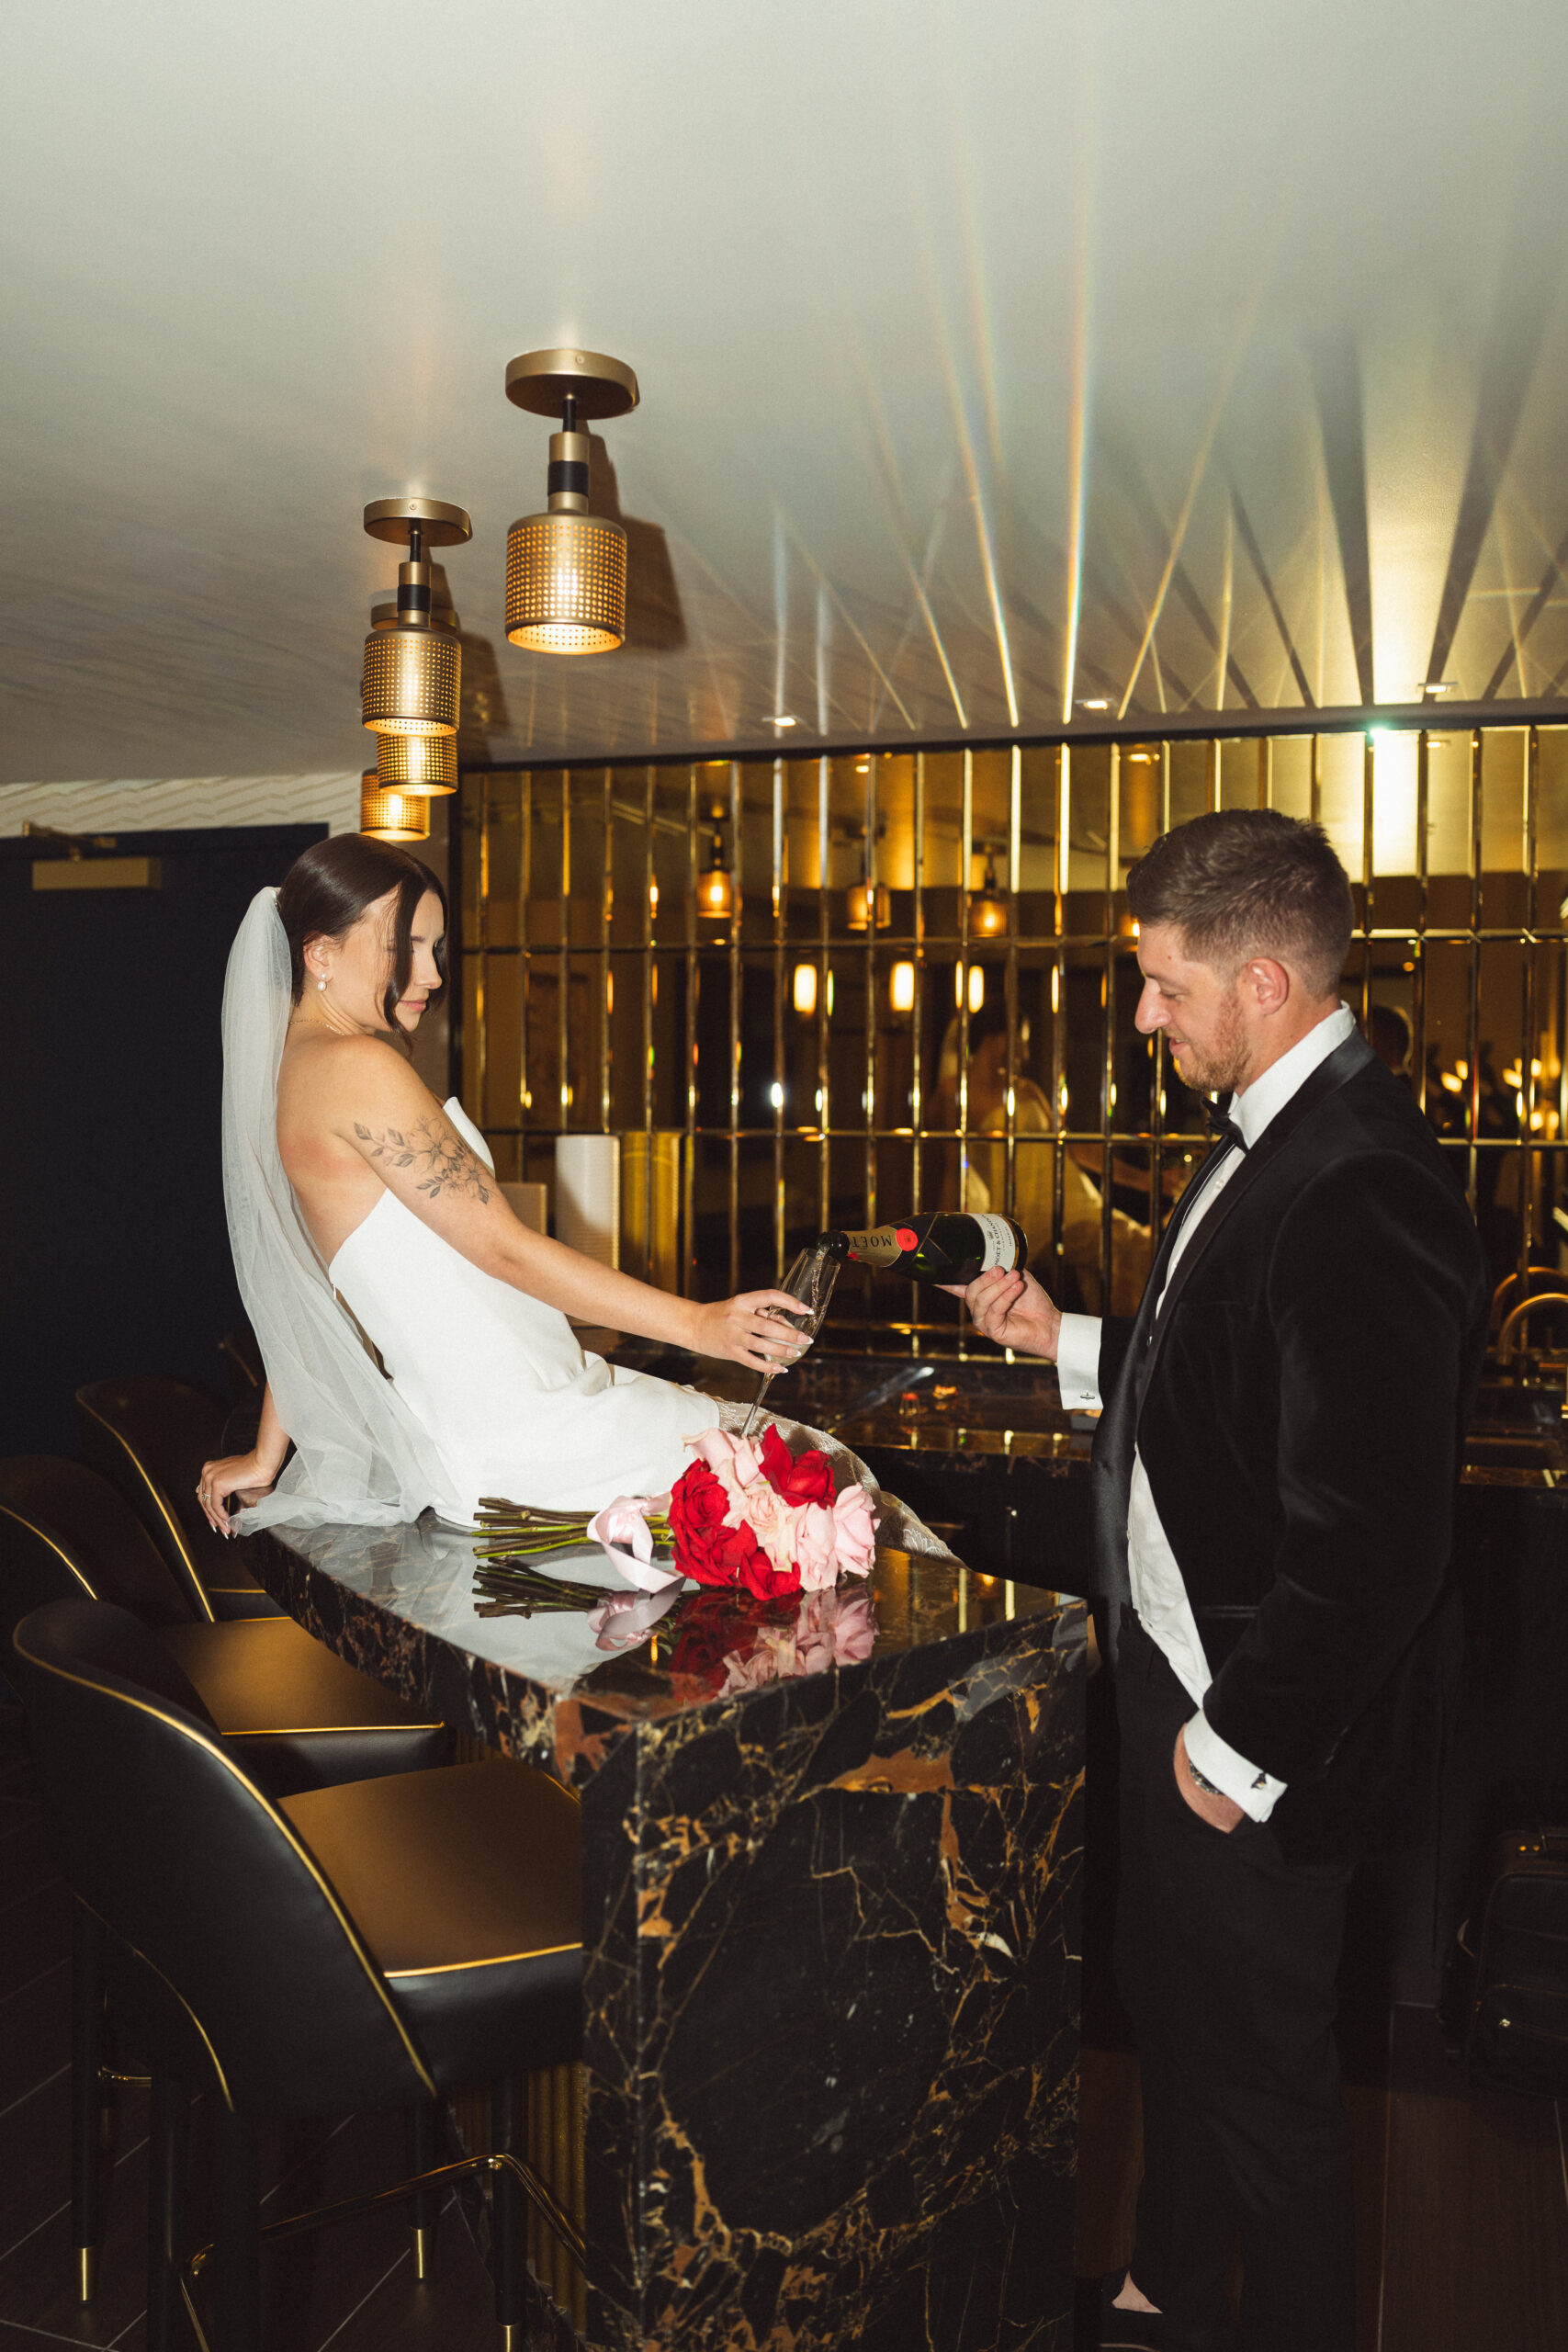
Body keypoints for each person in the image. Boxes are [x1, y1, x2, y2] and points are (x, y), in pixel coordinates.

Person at [950, 810, 1487, 2352]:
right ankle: (1166, 2291)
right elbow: (1226, 1366)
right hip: (1173, 1696)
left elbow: (1376, 1544)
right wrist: (1060, 1338)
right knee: (1178, 2027)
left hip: (1251, 1733)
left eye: (1162, 985)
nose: (1139, 1015)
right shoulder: (1274, 1127)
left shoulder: (1361, 1180)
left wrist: (1232, 1749)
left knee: (1267, 2094)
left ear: (1262, 981)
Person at [197, 837, 937, 1544]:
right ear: (320, 953)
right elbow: (505, 1251)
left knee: (810, 1490)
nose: (431, 975)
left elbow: (308, 1286)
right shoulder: (356, 1066)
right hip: (534, 1432)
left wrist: (268, 1454)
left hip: (494, 1431)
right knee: (826, 1483)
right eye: (405, 948)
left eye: (434, 948)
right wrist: (700, 1324)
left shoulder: (297, 1076)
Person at [928, 1002, 1154, 1315]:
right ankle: (1129, 1336)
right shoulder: (954, 1093)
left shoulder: (1027, 1090)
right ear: (995, 1038)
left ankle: (1125, 1332)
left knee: (1134, 1243)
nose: (1025, 1053)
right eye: (1020, 1041)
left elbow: (1071, 1148)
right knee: (1119, 1243)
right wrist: (945, 1232)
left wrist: (1145, 1180)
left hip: (1071, 1201)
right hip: (1023, 1214)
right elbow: (954, 1167)